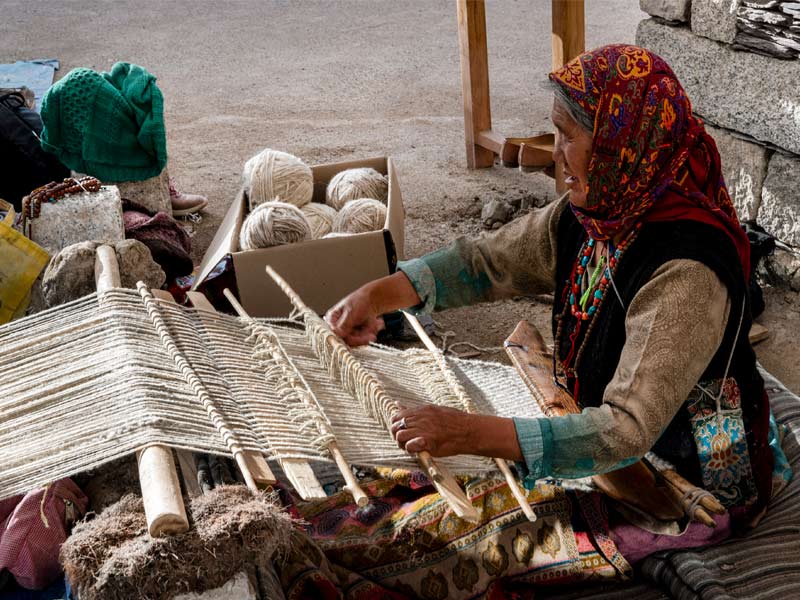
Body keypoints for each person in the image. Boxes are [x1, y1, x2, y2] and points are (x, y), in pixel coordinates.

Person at [277, 45, 792, 597]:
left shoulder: (685, 272)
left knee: (433, 542)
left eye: (568, 135)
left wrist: (470, 431)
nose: (556, 154)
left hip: (682, 476)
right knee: (399, 493)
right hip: (603, 426)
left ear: (621, 146)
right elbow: (488, 260)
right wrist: (378, 294)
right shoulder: (597, 215)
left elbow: (625, 430)